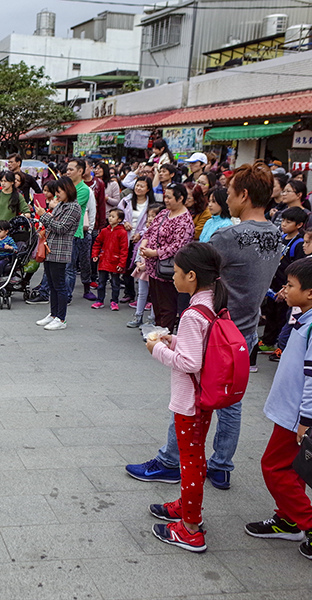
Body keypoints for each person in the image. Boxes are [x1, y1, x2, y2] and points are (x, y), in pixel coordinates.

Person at [127, 160, 282, 490]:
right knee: (231, 400)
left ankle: (170, 460)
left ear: (243, 194)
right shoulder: (275, 234)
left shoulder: (230, 236)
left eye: (228, 192)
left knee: (190, 395)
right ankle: (222, 465)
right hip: (245, 329)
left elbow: (192, 267)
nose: (225, 197)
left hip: (215, 328)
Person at [147, 242, 229, 553]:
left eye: (177, 272)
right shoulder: (212, 302)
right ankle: (186, 504)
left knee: (191, 461)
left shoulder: (194, 312)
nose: (173, 276)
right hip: (202, 398)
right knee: (193, 456)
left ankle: (191, 527)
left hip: (191, 401)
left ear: (192, 276)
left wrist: (158, 349)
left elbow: (190, 363)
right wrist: (177, 340)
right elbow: (200, 349)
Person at [244, 258, 312, 558]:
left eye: (290, 285)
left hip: (296, 416)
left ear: (310, 293)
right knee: (293, 470)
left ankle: (307, 522)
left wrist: (306, 419)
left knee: (274, 468)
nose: (285, 289)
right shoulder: (303, 316)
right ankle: (288, 519)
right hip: (289, 411)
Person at [140, 184, 194, 331]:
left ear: (180, 198)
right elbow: (150, 231)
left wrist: (155, 253)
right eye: (165, 196)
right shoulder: (164, 213)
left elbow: (178, 246)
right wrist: (144, 245)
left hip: (168, 270)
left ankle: (165, 336)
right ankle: (158, 335)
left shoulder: (185, 220)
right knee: (157, 304)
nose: (166, 200)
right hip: (153, 268)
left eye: (169, 197)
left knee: (167, 306)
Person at [33, 176, 82, 331]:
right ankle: (53, 314)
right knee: (53, 285)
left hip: (60, 250)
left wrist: (43, 215)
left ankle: (61, 318)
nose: (57, 195)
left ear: (68, 190)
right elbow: (52, 224)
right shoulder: (62, 204)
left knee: (59, 285)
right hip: (50, 247)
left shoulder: (73, 207)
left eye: (59, 192)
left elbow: (60, 227)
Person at [260, 206, 307, 352]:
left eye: (288, 222)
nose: (284, 224)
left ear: (299, 225)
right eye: (283, 221)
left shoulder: (299, 244)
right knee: (271, 312)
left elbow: (297, 269)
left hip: (286, 286)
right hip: (274, 284)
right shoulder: (281, 238)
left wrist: (287, 287)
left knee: (282, 316)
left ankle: (280, 346)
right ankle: (268, 340)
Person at [127, 205, 162, 328]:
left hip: (152, 268)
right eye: (149, 216)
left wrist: (145, 265)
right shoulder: (146, 232)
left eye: (154, 216)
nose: (151, 219)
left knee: (154, 294)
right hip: (141, 267)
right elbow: (139, 249)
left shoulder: (160, 233)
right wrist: (137, 262)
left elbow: (157, 253)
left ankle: (152, 318)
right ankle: (138, 316)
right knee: (142, 293)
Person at [64, 159, 94, 302]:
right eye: (67, 169)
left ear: (80, 171)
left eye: (71, 169)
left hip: (75, 232)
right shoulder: (66, 186)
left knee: (70, 267)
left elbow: (68, 206)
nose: (68, 172)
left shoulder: (84, 189)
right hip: (62, 230)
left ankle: (67, 296)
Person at [91, 208, 128, 311]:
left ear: (119, 219)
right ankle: (100, 300)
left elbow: (124, 249)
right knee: (101, 282)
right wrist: (95, 254)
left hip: (115, 262)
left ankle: (114, 301)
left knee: (115, 283)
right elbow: (97, 243)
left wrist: (121, 264)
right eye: (110, 216)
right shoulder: (104, 231)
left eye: (113, 216)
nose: (110, 218)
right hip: (104, 260)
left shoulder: (122, 232)